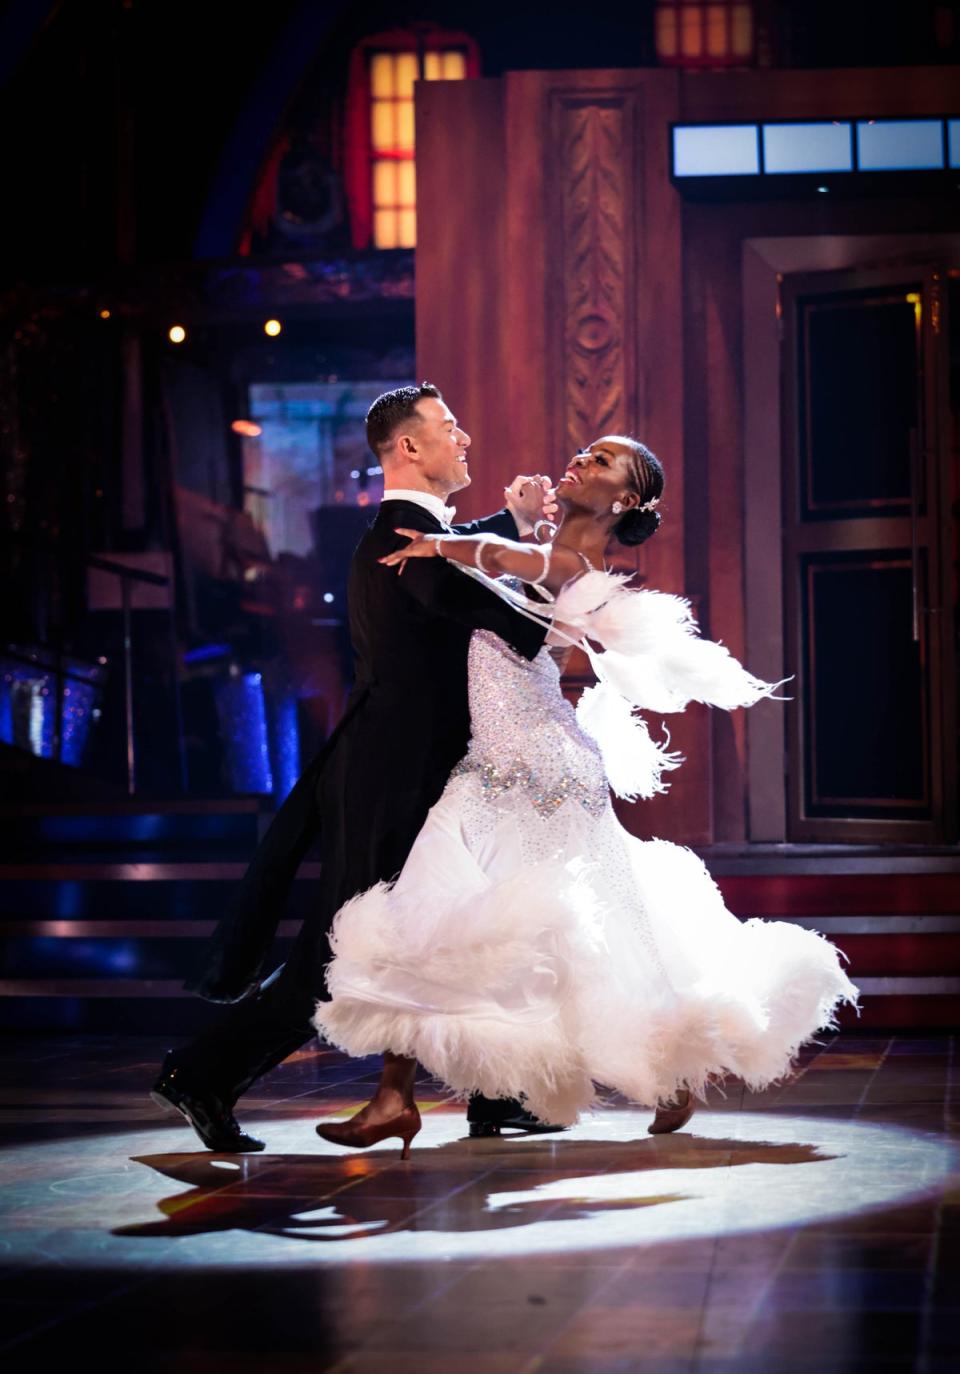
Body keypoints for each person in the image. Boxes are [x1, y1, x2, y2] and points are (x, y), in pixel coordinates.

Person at [312, 436, 859, 1158]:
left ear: (625, 502)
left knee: (586, 934)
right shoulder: (545, 543)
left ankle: (670, 1068)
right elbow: (507, 560)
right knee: (428, 903)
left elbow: (513, 564)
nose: (579, 461)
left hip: (542, 770)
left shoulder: (572, 564)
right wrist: (502, 518)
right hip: (495, 762)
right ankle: (393, 1097)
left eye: (601, 463)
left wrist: (443, 546)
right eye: (585, 452)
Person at [151, 383, 560, 1151]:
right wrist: (557, 581)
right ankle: (202, 1073)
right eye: (449, 426)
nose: (465, 437)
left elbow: (457, 554)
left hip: (407, 766)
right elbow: (496, 610)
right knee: (344, 949)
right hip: (392, 773)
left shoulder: (408, 532)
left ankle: (494, 1093)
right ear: (408, 448)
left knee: (454, 920)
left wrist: (511, 526)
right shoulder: (408, 541)